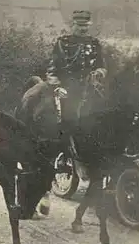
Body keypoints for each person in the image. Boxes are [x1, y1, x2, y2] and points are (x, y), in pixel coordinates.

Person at [20, 10, 106, 152]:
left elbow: (101, 65)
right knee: (61, 115)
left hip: (89, 86)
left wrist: (98, 73)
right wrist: (57, 86)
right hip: (66, 86)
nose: (83, 29)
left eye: (86, 25)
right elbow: (53, 67)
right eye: (79, 25)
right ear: (73, 25)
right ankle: (61, 147)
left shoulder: (94, 43)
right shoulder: (63, 43)